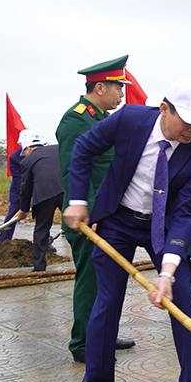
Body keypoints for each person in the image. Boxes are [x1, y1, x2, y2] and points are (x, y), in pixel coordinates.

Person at [63, 76, 191, 382]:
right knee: (107, 301)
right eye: (188, 121)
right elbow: (84, 149)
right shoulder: (130, 119)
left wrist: (166, 273)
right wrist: (77, 200)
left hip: (165, 225)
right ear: (165, 109)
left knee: (183, 300)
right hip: (117, 218)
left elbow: (185, 212)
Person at [56, 56, 136, 364]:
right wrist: (88, 215)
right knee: (91, 281)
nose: (122, 94)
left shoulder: (101, 119)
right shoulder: (76, 119)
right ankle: (84, 345)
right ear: (100, 87)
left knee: (108, 281)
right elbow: (74, 170)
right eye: (118, 87)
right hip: (90, 219)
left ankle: (102, 333)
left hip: (109, 215)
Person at [17, 136, 64, 271]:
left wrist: (23, 210)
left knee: (41, 229)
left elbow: (25, 189)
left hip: (44, 196)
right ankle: (85, 262)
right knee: (75, 226)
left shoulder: (27, 160)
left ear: (27, 148)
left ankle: (39, 267)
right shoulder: (57, 149)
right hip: (66, 190)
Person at [0, 129, 35, 243]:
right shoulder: (14, 158)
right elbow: (19, 179)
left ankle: (44, 243)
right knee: (12, 215)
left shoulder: (41, 153)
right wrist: (26, 196)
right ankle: (3, 242)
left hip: (39, 187)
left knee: (43, 215)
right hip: (19, 190)